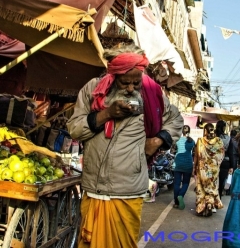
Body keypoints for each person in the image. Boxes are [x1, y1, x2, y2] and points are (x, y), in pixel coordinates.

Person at [66, 44, 183, 248]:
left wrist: (156, 141)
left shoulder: (152, 93)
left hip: (129, 190)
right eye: (125, 83)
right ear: (112, 77)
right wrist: (106, 114)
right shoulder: (93, 90)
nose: (131, 88)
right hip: (94, 188)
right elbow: (75, 129)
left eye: (135, 83)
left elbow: (176, 120)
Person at [193, 123, 225, 217]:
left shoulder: (200, 141)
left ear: (205, 131)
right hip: (214, 170)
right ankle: (210, 204)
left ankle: (202, 208)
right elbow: (221, 155)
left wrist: (194, 167)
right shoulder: (219, 141)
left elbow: (196, 155)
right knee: (212, 188)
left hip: (202, 170)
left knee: (201, 188)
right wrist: (216, 165)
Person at [172, 125, 195, 210]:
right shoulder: (192, 141)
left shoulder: (177, 140)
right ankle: (181, 195)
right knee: (185, 183)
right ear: (189, 131)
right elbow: (194, 153)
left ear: (182, 131)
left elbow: (173, 151)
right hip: (188, 163)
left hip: (178, 163)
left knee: (177, 183)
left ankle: (176, 203)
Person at [215, 120, 235, 198]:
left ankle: (210, 200)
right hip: (224, 162)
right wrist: (232, 166)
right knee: (221, 182)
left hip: (212, 162)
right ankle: (218, 199)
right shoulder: (228, 138)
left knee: (211, 181)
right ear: (224, 127)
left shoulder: (212, 137)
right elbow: (231, 153)